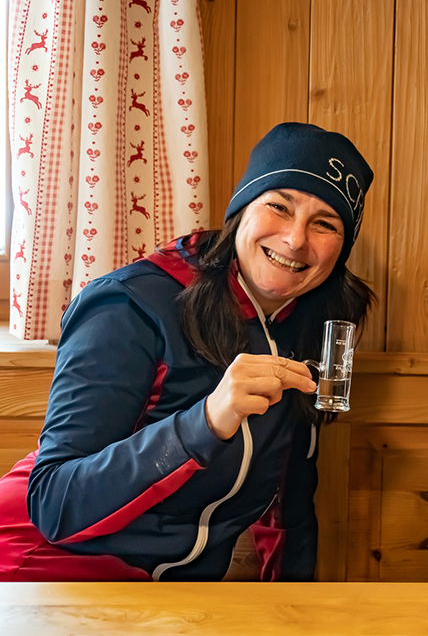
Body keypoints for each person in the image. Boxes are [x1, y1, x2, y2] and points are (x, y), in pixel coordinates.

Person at [0, 123, 375, 581]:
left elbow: (289, 506)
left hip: (176, 601)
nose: (296, 239)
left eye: (325, 224)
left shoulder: (312, 327)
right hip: (40, 571)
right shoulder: (130, 303)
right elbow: (54, 504)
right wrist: (206, 421)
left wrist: (299, 612)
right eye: (279, 205)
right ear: (242, 210)